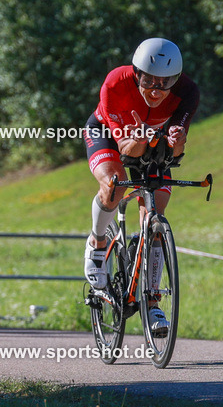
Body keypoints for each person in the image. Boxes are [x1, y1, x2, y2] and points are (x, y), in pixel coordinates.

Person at [83, 38, 199, 333]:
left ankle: (153, 303)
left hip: (152, 141)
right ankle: (97, 242)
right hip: (112, 136)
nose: (157, 90)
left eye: (166, 82)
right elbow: (126, 151)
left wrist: (175, 141)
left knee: (156, 215)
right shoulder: (115, 85)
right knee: (114, 185)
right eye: (149, 81)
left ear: (177, 79)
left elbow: (175, 153)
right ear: (136, 73)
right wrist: (143, 136)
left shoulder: (187, 93)